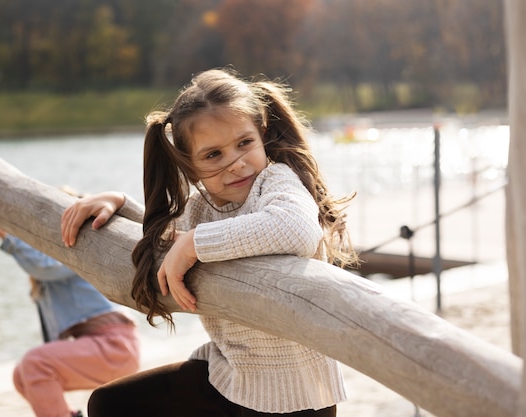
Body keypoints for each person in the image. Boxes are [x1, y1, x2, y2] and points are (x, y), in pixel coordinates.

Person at [60, 68, 359, 417]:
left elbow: (295, 228)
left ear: (262, 134)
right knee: (111, 403)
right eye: (213, 155)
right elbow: (167, 234)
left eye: (244, 143)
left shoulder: (276, 181)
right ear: (189, 166)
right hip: (229, 377)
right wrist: (121, 204)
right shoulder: (201, 207)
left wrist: (192, 246)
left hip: (294, 395)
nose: (236, 163)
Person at [0, 215, 141, 417]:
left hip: (116, 346)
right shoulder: (47, 282)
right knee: (21, 376)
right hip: (97, 348)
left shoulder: (77, 257)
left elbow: (42, 267)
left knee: (34, 363)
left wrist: (6, 235)